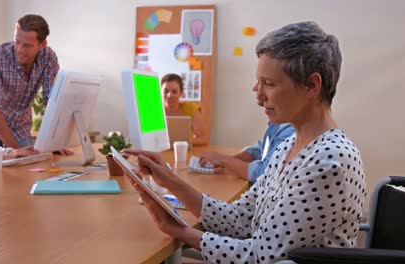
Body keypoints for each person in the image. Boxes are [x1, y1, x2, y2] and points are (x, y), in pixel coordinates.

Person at [125, 21, 366, 263]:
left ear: (312, 85)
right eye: (258, 82)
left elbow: (261, 255)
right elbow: (241, 218)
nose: (259, 96)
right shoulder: (288, 146)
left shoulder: (329, 162)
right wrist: (169, 179)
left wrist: (180, 232)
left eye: (269, 84)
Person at [0, 14, 59, 148]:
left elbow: (51, 101)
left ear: (42, 44)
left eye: (27, 46)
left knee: (24, 167)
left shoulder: (49, 57)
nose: (19, 50)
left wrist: (56, 142)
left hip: (20, 126)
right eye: (17, 42)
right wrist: (15, 150)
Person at [199, 123, 294, 183]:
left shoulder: (291, 131)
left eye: (269, 89)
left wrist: (224, 160)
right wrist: (224, 161)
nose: (256, 90)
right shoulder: (278, 124)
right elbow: (260, 150)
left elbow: (263, 174)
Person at [161, 73, 208, 146]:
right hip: (160, 151)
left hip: (184, 151)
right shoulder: (154, 110)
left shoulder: (190, 108)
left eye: (174, 91)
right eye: (166, 91)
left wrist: (178, 144)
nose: (169, 95)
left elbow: (203, 138)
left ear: (181, 93)